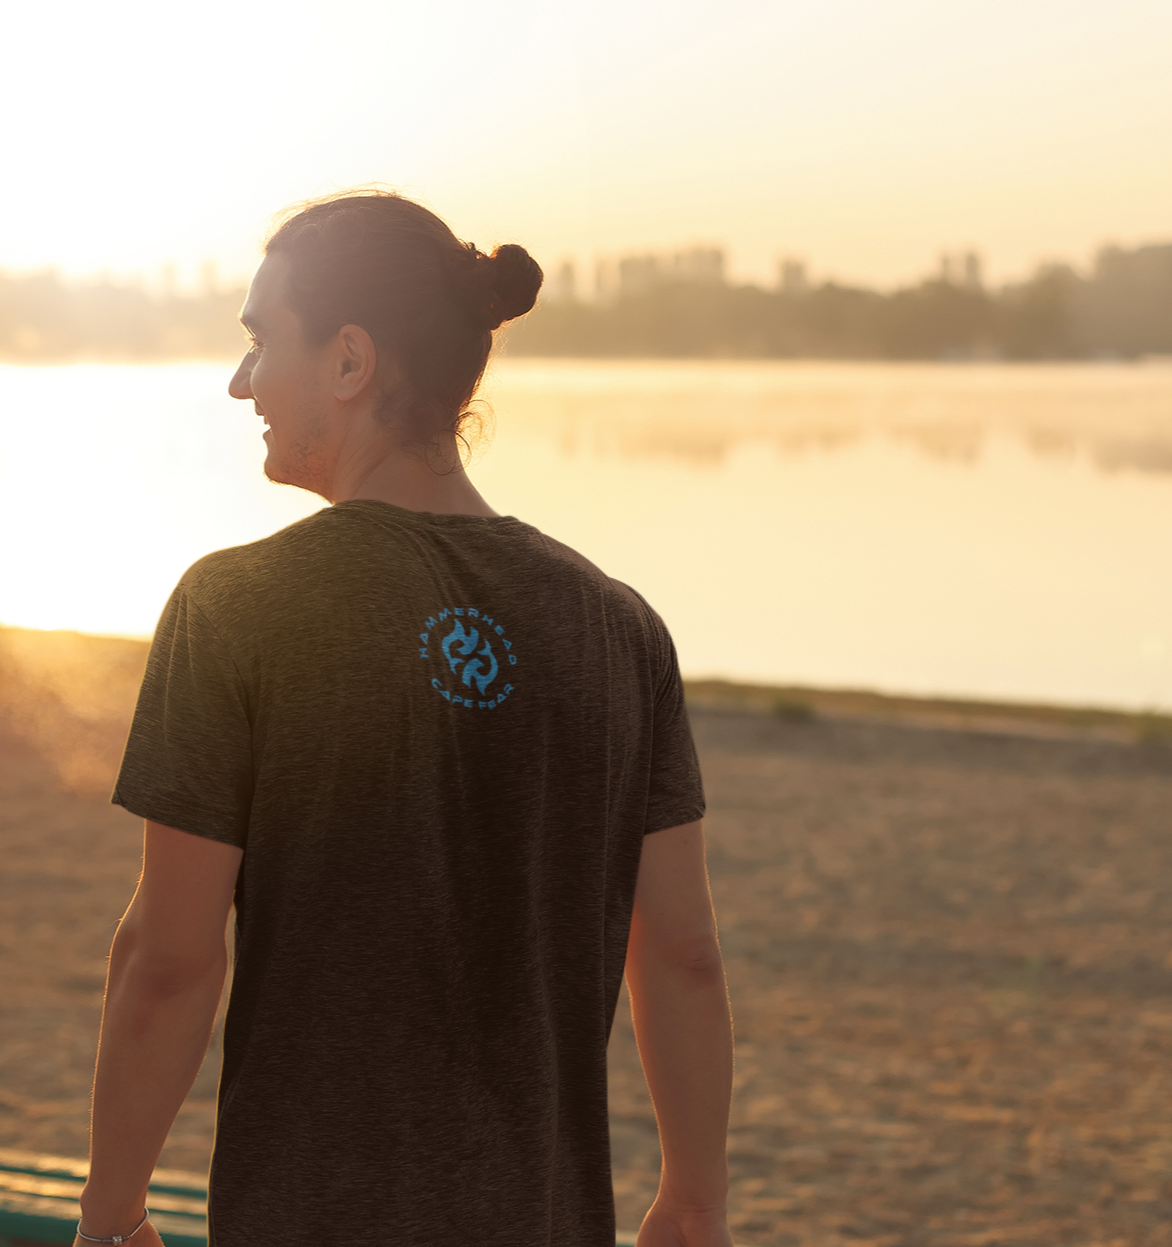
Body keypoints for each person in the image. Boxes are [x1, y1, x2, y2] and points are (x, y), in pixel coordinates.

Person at [73, 190, 735, 1247]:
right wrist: (693, 1200)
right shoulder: (619, 629)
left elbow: (169, 953)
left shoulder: (233, 605)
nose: (239, 381)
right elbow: (684, 949)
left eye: (258, 342)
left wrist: (111, 1210)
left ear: (349, 362)